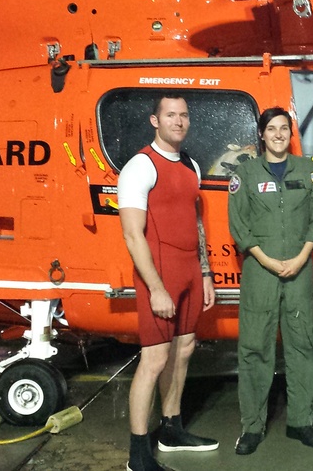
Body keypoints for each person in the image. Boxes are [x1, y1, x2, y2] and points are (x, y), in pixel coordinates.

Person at [117, 96, 218, 471]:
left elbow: (195, 223)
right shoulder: (140, 166)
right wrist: (156, 287)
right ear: (154, 121)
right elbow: (132, 235)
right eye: (170, 115)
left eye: (184, 115)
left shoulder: (190, 164)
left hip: (190, 271)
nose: (178, 121)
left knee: (185, 348)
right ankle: (138, 454)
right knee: (155, 359)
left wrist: (205, 272)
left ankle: (171, 429)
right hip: (159, 273)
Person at [227, 107, 313, 455]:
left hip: (299, 270)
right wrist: (267, 259)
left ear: (290, 133)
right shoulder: (245, 173)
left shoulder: (307, 170)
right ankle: (252, 427)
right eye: (271, 129)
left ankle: (301, 421)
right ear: (261, 134)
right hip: (260, 270)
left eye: (284, 128)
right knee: (255, 346)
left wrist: (302, 258)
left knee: (303, 343)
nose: (278, 134)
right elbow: (238, 224)